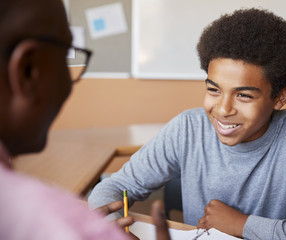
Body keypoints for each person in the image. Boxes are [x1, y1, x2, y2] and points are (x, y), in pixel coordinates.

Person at [88, 8, 286, 239]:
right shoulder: (188, 129)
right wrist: (110, 229)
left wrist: (242, 225)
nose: (222, 109)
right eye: (214, 90)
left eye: (243, 95)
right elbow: (115, 187)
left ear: (279, 97)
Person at [0, 0, 170, 239]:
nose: (71, 83)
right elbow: (116, 185)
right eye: (67, 56)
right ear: (28, 70)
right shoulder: (60, 224)